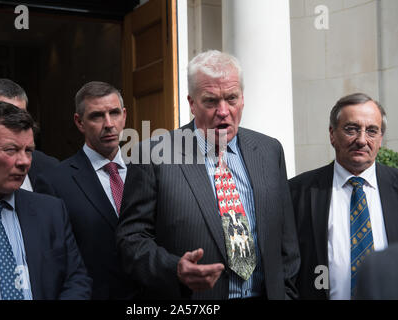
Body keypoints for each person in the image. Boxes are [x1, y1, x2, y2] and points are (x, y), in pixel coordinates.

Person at [116, 50, 300, 300]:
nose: (223, 111)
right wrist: (175, 269)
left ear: (243, 99)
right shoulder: (153, 155)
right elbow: (131, 241)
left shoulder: (269, 151)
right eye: (211, 101)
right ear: (192, 103)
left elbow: (286, 240)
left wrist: (286, 294)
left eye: (231, 98)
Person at [0, 102, 92, 299]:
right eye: (10, 150)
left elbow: (76, 279)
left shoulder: (51, 211)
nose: (24, 161)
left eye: (28, 151)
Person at [34, 81, 139, 299]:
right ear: (79, 122)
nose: (109, 123)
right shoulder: (54, 182)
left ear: (124, 116)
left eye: (114, 113)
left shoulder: (147, 170)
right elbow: (53, 258)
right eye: (97, 116)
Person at [289, 93, 398, 300]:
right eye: (351, 129)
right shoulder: (297, 192)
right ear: (332, 134)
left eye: (372, 131)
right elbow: (285, 271)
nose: (361, 140)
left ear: (381, 139)